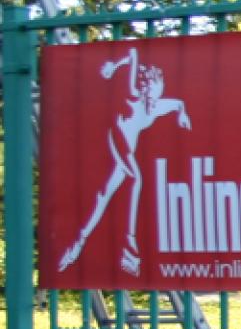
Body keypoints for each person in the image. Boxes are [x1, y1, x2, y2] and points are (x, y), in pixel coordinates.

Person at [57, 47, 191, 276]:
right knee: (136, 179)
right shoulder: (133, 95)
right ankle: (130, 244)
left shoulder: (155, 107)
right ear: (146, 88)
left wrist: (183, 115)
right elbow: (133, 53)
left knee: (103, 197)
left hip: (127, 150)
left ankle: (78, 243)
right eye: (153, 91)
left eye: (159, 92)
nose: (156, 96)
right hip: (117, 140)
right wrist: (115, 67)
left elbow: (178, 103)